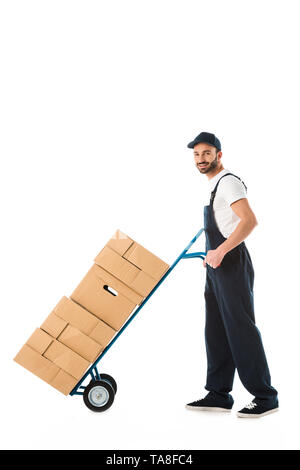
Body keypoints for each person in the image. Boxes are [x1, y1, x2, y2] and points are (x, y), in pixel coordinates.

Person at [185, 131, 278, 418]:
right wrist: (210, 253)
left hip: (232, 263)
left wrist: (221, 250)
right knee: (215, 328)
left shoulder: (229, 183)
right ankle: (218, 393)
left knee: (241, 328)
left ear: (219, 155)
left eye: (207, 153)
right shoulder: (213, 186)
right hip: (216, 266)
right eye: (197, 154)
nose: (201, 159)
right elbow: (224, 224)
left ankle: (265, 396)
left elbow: (249, 221)